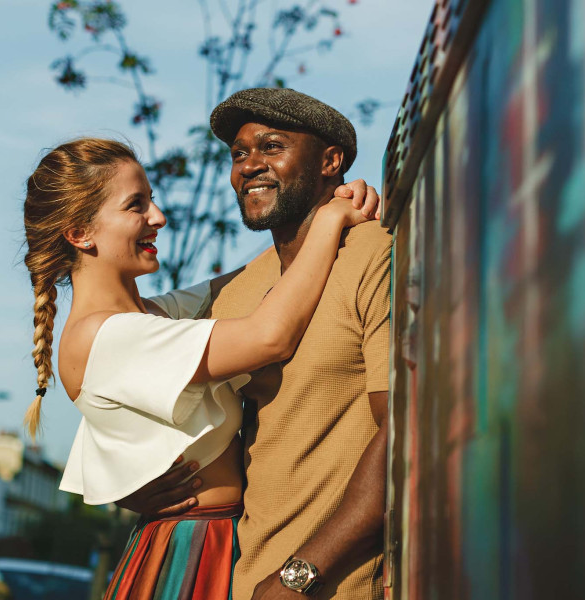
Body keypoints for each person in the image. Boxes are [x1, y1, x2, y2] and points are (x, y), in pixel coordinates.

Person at [21, 137, 380, 599]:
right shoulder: (106, 337)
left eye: (151, 198)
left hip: (222, 539)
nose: (159, 216)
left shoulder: (154, 318)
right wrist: (332, 217)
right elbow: (270, 335)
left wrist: (329, 204)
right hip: (191, 553)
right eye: (136, 205)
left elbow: (261, 270)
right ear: (79, 233)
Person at [124, 88, 392, 599]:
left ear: (330, 161)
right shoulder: (237, 289)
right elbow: (123, 350)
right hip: (243, 578)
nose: (249, 165)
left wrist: (300, 575)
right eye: (239, 153)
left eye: (272, 147)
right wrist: (127, 483)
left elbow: (406, 433)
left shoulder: (373, 254)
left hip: (337, 582)